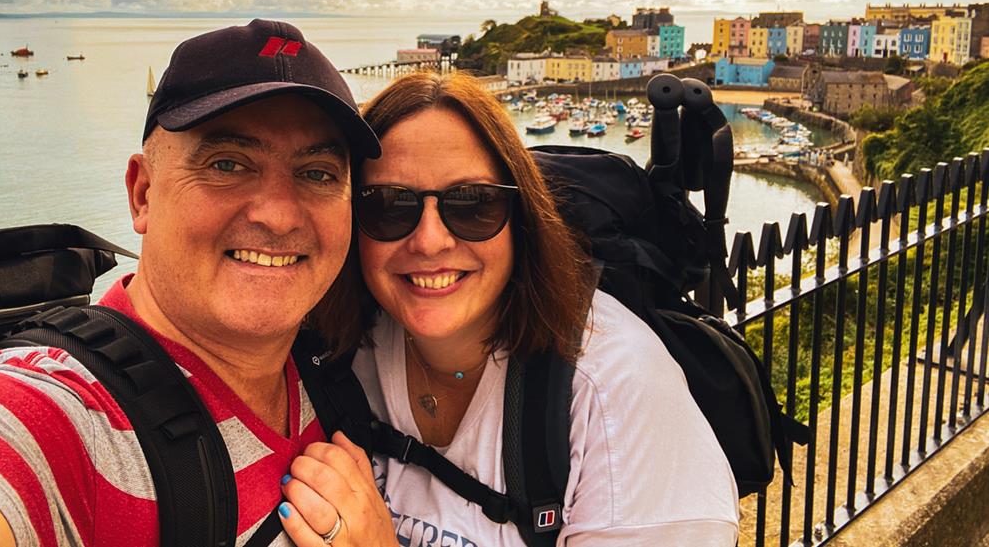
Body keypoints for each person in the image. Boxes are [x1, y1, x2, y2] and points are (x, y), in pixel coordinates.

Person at [0, 19, 382, 547]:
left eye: (317, 173)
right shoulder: (56, 417)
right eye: (228, 164)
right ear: (143, 193)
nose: (279, 216)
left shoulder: (335, 363)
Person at [281, 71, 739, 546]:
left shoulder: (615, 389)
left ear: (522, 221)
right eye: (389, 206)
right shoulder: (339, 351)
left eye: (472, 204)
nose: (430, 241)